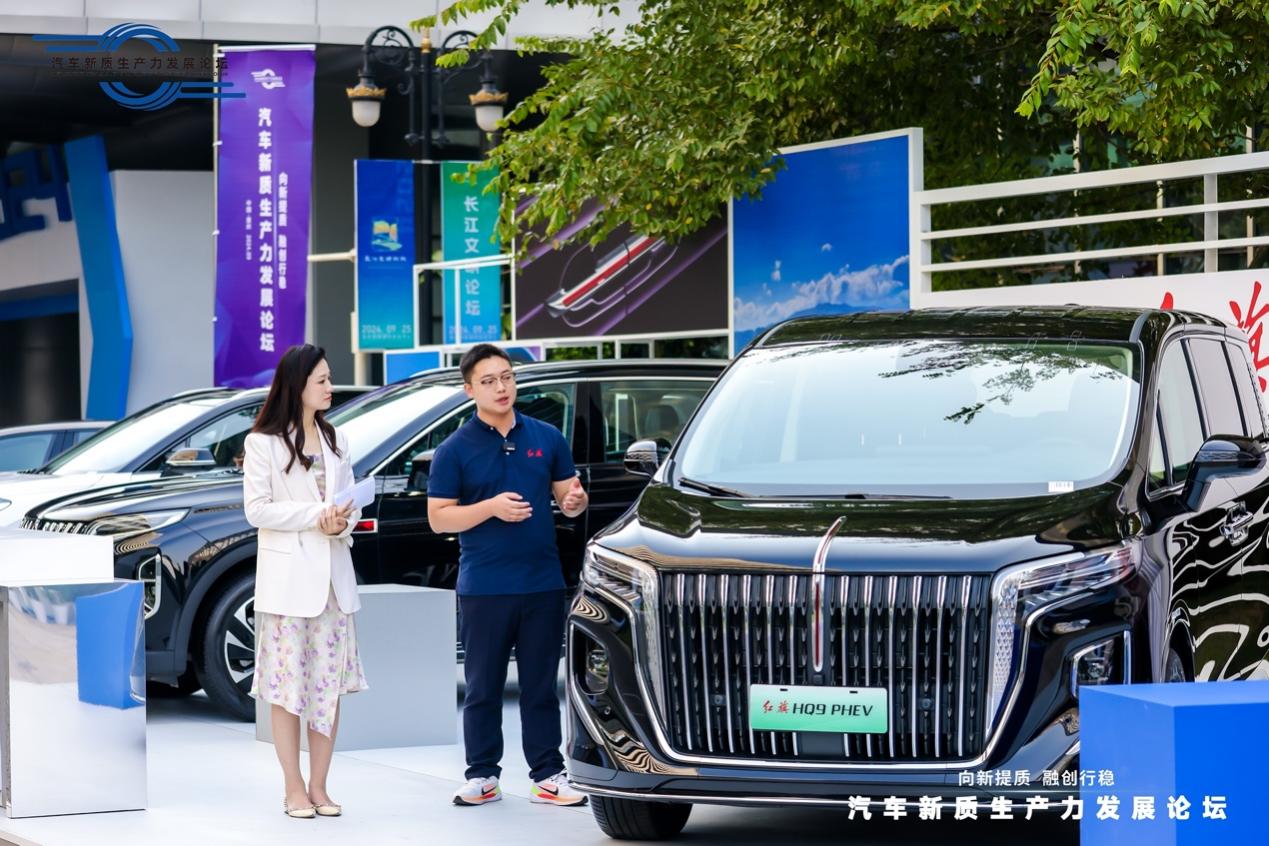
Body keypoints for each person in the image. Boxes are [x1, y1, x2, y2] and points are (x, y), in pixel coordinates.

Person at [428, 344, 589, 807]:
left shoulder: (546, 436)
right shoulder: (454, 449)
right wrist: (491, 508)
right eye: (489, 381)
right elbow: (439, 517)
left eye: (507, 377)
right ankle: (482, 775)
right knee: (483, 688)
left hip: (543, 582)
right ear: (469, 389)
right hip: (485, 587)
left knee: (541, 687)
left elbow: (569, 498)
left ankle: (548, 775)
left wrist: (575, 501)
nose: (501, 388)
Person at [242, 344, 367, 819]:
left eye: (330, 378)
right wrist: (318, 515)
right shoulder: (264, 442)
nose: (331, 387)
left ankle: (320, 786)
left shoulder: (337, 439)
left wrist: (340, 523)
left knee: (327, 687)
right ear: (298, 385)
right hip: (289, 585)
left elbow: (348, 504)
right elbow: (258, 511)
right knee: (286, 688)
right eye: (322, 380)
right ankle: (293, 787)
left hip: (333, 583)